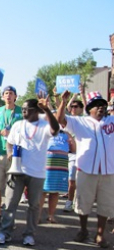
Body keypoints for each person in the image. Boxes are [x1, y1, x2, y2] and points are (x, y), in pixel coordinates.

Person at [0, 98, 59, 246]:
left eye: (27, 109)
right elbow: (9, 142)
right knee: (10, 203)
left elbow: (55, 131)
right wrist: (10, 152)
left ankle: (29, 234)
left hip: (37, 172)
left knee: (34, 205)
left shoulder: (44, 125)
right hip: (16, 170)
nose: (23, 111)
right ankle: (5, 232)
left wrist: (47, 109)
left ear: (36, 111)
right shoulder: (17, 125)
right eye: (22, 108)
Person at [57, 91, 114, 248]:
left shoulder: (112, 121)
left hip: (109, 171)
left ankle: (100, 234)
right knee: (83, 203)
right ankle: (83, 231)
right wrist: (63, 102)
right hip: (86, 170)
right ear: (89, 108)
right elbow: (60, 120)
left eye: (102, 104)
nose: (100, 107)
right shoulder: (80, 122)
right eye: (96, 105)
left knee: (105, 204)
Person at [0, 86, 23, 228]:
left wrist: (11, 132)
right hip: (0, 154)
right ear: (3, 96)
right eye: (6, 93)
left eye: (11, 93)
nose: (8, 96)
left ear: (15, 96)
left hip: (15, 155)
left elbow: (25, 131)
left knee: (12, 189)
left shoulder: (21, 111)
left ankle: (10, 218)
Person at [38, 124, 75, 224]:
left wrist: (70, 137)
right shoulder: (45, 130)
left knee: (55, 191)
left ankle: (51, 215)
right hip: (47, 161)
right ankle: (37, 215)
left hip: (61, 163)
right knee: (43, 190)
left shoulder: (66, 134)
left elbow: (74, 149)